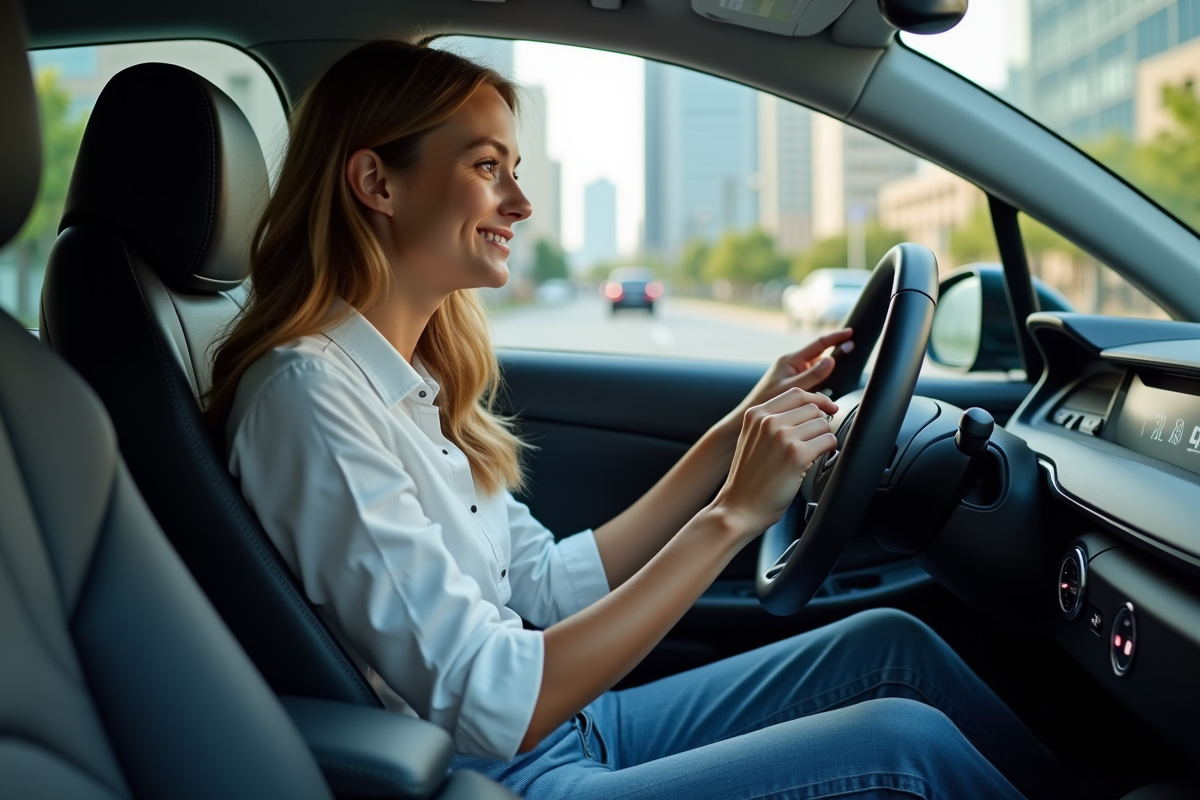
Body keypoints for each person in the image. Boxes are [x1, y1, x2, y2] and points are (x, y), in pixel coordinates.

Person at [206, 40, 1086, 800]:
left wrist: (734, 434)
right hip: (509, 774)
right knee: (905, 748)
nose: (519, 203)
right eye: (486, 167)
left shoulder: (409, 384)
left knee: (892, 645)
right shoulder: (309, 399)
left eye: (515, 169)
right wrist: (734, 514)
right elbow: (488, 699)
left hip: (572, 730)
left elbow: (543, 588)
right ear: (375, 182)